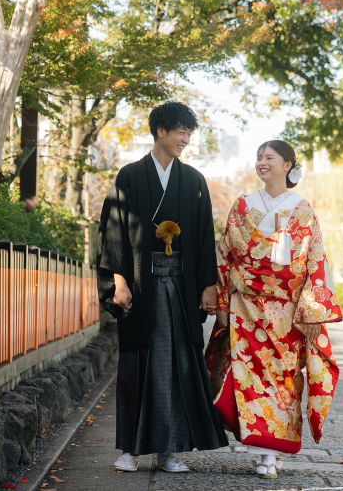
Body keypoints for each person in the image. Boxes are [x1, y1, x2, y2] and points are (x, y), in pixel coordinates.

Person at [97, 101, 228, 473]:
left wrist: (208, 285)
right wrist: (118, 281)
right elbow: (113, 232)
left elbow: (205, 237)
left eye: (189, 133)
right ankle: (128, 450)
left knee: (178, 367)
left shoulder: (194, 182)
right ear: (160, 132)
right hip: (140, 283)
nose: (185, 139)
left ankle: (168, 450)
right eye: (180, 132)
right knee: (137, 365)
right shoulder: (129, 176)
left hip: (181, 286)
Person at [204, 140, 342, 479]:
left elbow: (315, 259)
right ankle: (265, 451)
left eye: (270, 158)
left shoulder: (303, 207)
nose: (262, 162)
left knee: (283, 381)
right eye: (258, 157)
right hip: (246, 306)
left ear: (288, 165)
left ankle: (273, 448)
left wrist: (311, 312)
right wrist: (217, 293)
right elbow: (226, 253)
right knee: (250, 376)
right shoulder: (243, 204)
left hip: (285, 311)